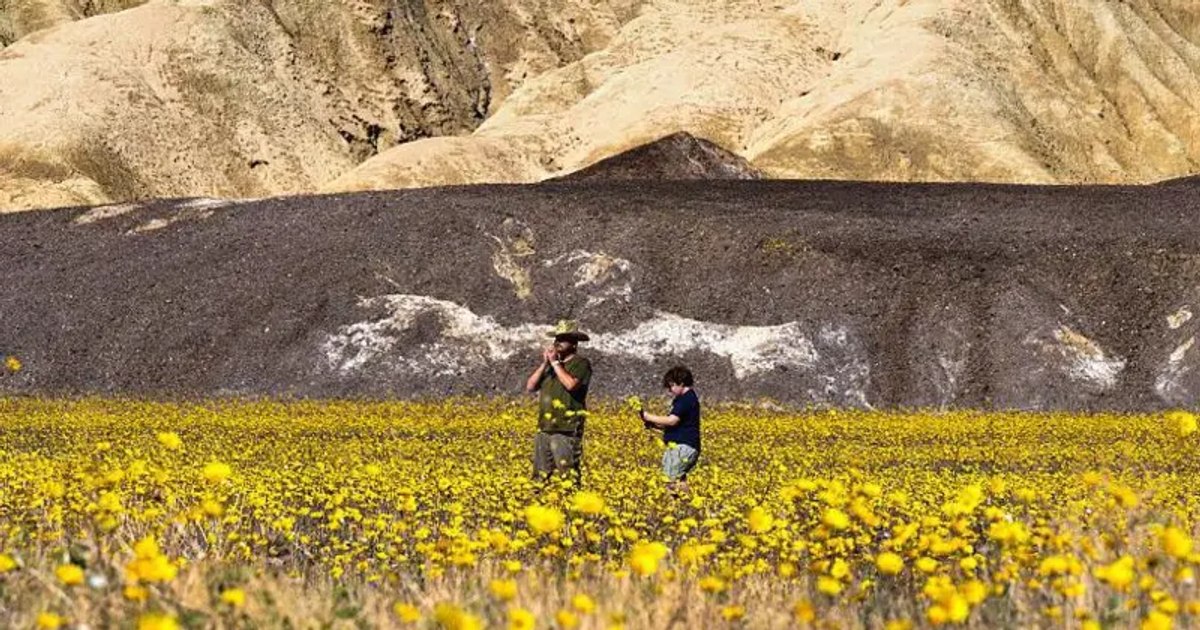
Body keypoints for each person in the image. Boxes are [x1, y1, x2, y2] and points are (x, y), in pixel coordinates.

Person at [525, 320, 593, 485]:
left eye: (563, 339)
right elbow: (530, 386)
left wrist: (555, 363)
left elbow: (571, 384)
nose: (558, 343)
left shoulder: (581, 364)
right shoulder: (550, 366)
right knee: (539, 477)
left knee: (567, 476)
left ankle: (573, 508)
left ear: (574, 344)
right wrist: (544, 364)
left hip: (566, 429)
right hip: (545, 427)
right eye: (557, 339)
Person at [638, 366, 701, 495]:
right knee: (680, 479)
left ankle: (676, 506)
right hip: (688, 446)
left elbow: (672, 420)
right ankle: (688, 506)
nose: (669, 390)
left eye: (671, 386)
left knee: (670, 480)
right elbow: (677, 425)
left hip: (682, 448)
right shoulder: (688, 398)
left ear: (681, 383)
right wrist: (655, 425)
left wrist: (647, 416)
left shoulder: (685, 400)